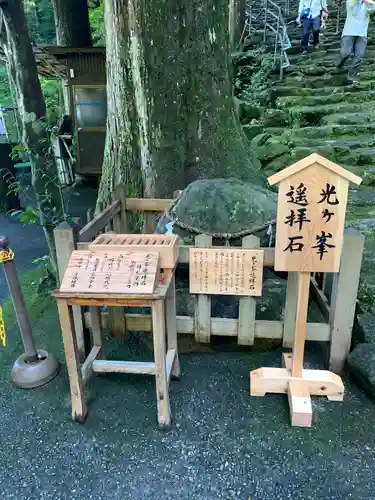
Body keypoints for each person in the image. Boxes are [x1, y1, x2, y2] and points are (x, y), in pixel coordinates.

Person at [337, 0, 375, 83]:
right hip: (349, 31)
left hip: (362, 32)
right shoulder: (350, 1)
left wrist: (367, 2)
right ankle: (340, 63)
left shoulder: (369, 2)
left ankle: (351, 76)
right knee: (345, 53)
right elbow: (351, 6)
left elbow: (372, 10)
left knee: (359, 55)